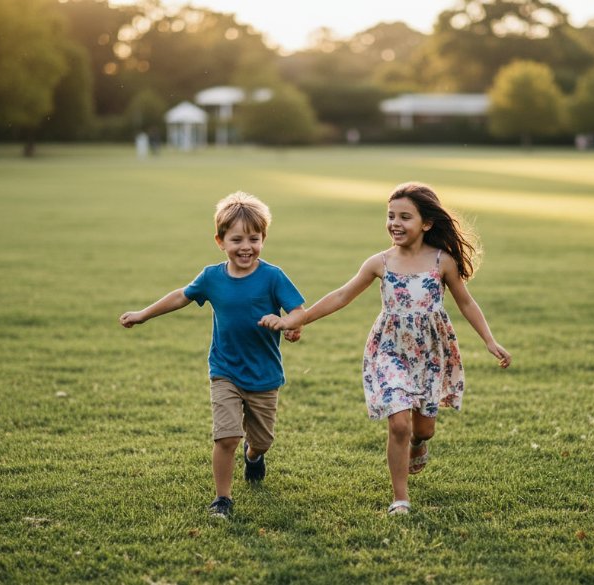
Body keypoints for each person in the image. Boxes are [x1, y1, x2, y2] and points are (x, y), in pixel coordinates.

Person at [259, 182, 511, 515]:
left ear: (427, 223)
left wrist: (489, 341)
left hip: (430, 354)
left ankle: (419, 445)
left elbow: (466, 302)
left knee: (423, 429)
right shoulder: (379, 262)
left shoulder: (442, 261)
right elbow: (341, 295)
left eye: (405, 217)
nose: (395, 223)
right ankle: (400, 498)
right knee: (399, 424)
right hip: (390, 350)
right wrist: (298, 319)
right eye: (390, 216)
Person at [120, 191, 304, 519]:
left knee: (261, 440)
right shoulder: (212, 277)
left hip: (264, 375)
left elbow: (297, 311)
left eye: (254, 238)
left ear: (263, 239)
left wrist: (290, 325)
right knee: (227, 436)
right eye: (236, 239)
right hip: (225, 370)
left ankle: (254, 456)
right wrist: (143, 314)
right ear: (220, 241)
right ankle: (223, 499)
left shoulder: (273, 276)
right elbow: (181, 296)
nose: (246, 246)